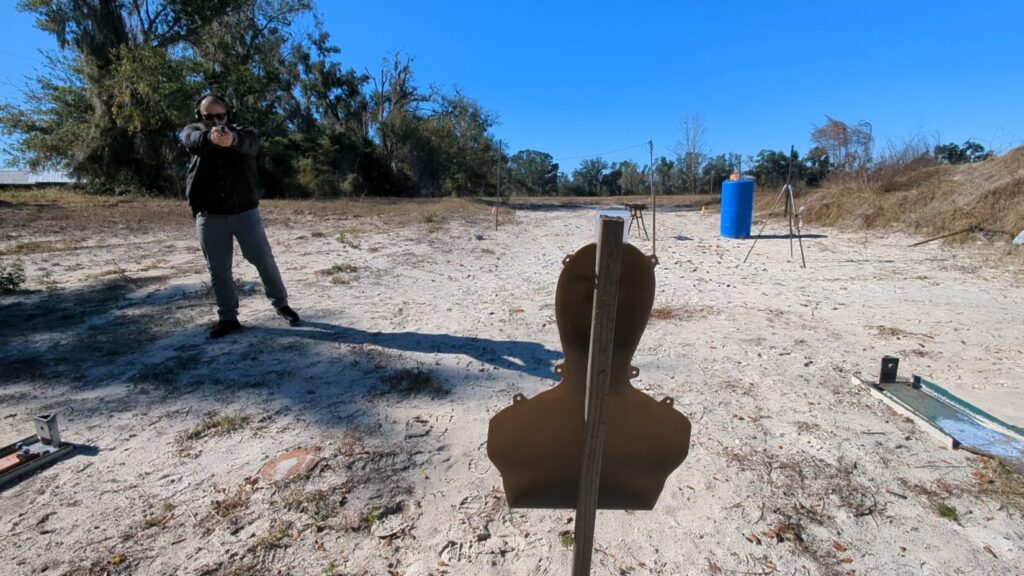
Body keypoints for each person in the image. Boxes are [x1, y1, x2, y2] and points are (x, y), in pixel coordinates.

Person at [181, 94, 300, 338]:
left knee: (263, 259)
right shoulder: (194, 132)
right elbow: (191, 140)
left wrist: (232, 139)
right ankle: (228, 318)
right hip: (209, 215)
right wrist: (210, 138)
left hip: (245, 212)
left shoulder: (243, 132)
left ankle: (281, 304)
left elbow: (251, 144)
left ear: (228, 115)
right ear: (199, 118)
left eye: (220, 116)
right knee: (218, 269)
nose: (215, 122)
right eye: (208, 117)